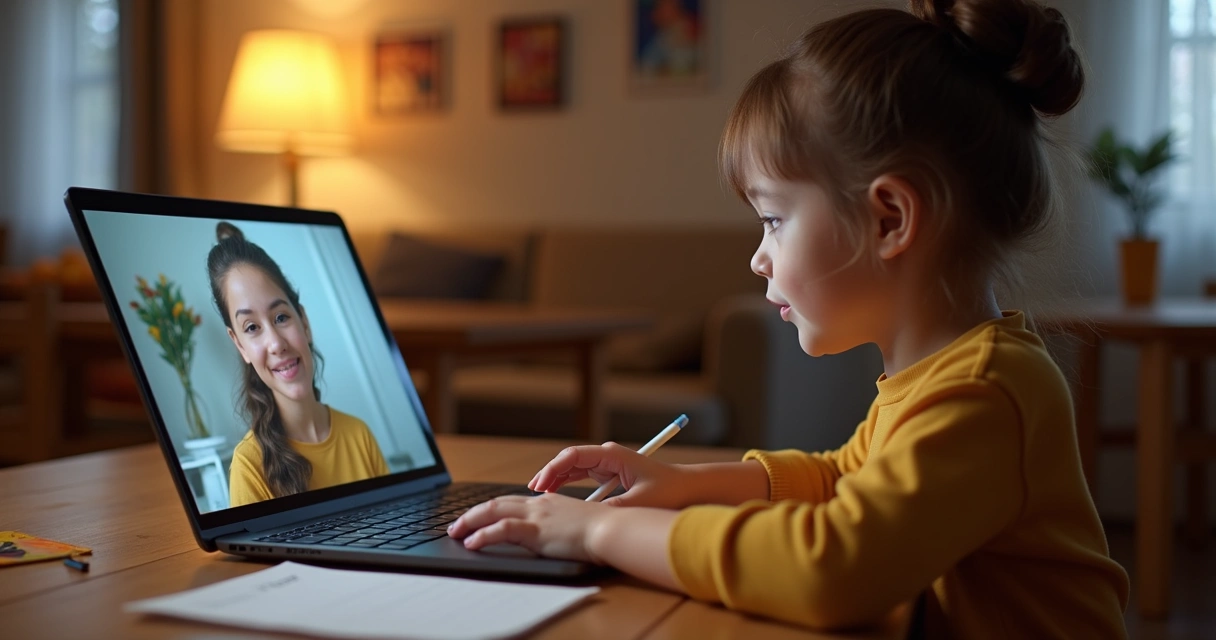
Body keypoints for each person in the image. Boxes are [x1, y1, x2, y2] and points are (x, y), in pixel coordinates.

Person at [447, 1, 1131, 636]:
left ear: (889, 218)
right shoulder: (942, 371)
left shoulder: (986, 390)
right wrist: (687, 483)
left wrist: (593, 534)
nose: (758, 258)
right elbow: (843, 480)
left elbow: (833, 568)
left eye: (774, 219)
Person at [207, 222, 389, 507]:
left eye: (281, 317)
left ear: (303, 321)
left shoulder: (360, 435)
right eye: (252, 327)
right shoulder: (249, 466)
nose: (276, 343)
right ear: (239, 344)